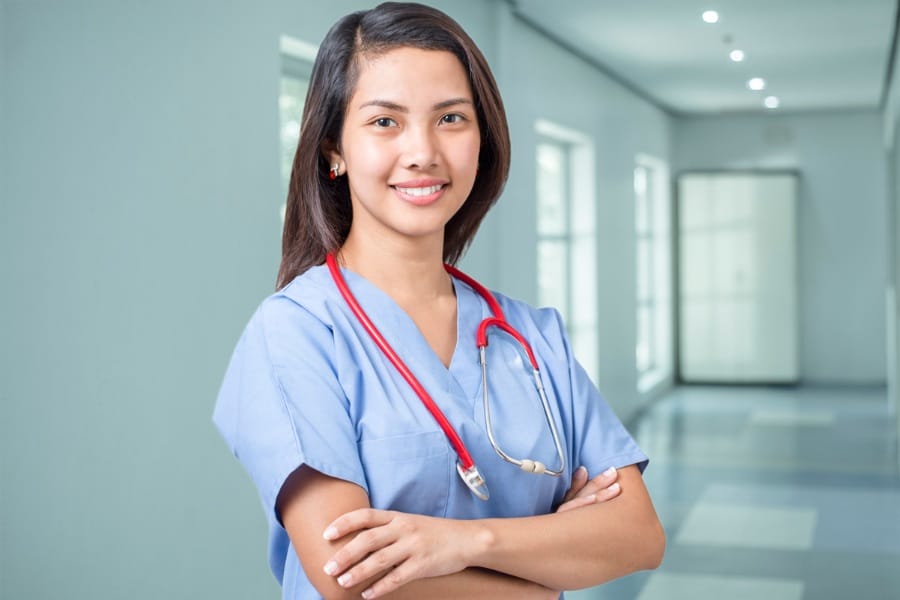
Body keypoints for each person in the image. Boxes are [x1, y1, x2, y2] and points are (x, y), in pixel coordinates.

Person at [213, 3, 665, 598]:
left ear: (483, 137)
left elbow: (638, 535)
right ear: (333, 150)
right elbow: (348, 577)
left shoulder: (530, 336)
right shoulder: (297, 332)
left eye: (451, 118)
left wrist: (463, 544)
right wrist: (544, 570)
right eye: (384, 122)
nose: (423, 151)